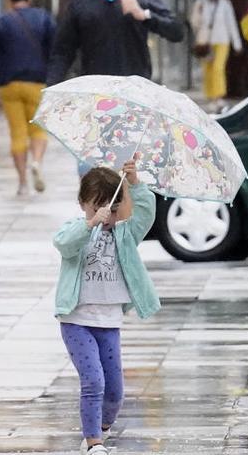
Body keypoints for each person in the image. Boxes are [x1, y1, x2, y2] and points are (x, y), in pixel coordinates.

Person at [53, 158, 161, 455]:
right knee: (93, 381)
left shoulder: (124, 235)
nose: (107, 215)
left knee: (114, 391)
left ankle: (101, 429)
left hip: (109, 320)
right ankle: (93, 443)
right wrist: (90, 224)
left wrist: (135, 183)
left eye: (112, 209)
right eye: (97, 207)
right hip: (76, 320)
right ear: (83, 204)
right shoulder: (77, 229)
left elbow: (146, 214)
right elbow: (63, 243)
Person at [46, 0, 184, 87]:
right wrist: (51, 88)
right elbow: (63, 51)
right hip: (95, 90)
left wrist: (145, 15)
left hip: (135, 90)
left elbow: (177, 32)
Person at [0, 0, 55, 196]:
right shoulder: (44, 18)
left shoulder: (1, 22)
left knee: (17, 134)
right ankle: (37, 162)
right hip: (37, 82)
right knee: (38, 129)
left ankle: (23, 183)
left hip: (9, 84)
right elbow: (54, 51)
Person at [189, 0, 243, 113]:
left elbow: (231, 24)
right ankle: (210, 97)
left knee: (218, 68)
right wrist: (198, 10)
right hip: (206, 43)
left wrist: (237, 43)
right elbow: (194, 24)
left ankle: (219, 97)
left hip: (222, 41)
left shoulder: (225, 4)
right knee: (207, 69)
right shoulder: (201, 4)